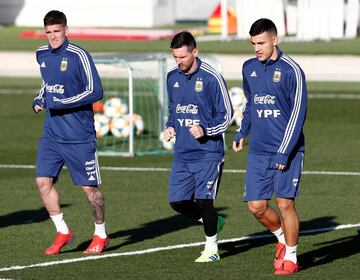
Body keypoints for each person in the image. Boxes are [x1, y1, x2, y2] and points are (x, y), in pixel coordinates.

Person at [232, 18, 307, 274]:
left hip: (288, 150)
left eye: (261, 42)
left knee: (285, 204)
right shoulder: (249, 67)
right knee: (256, 207)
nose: (257, 48)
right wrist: (242, 131)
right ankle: (283, 241)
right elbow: (250, 103)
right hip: (259, 151)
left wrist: (284, 152)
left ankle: (292, 258)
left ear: (275, 39)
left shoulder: (291, 70)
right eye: (253, 43)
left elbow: (298, 114)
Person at [32, 10, 108, 255]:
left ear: (66, 30)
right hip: (52, 134)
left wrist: (62, 102)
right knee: (43, 182)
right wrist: (40, 98)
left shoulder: (79, 55)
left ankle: (100, 234)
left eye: (57, 31)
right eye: (49, 32)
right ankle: (63, 231)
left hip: (79, 135)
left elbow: (96, 91)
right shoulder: (41, 54)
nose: (53, 37)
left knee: (89, 189)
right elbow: (48, 82)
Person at [163, 31, 233, 262]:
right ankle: (213, 220)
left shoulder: (212, 78)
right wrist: (170, 127)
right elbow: (174, 110)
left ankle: (212, 249)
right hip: (183, 152)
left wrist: (206, 130)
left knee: (204, 200)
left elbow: (227, 115)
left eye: (182, 57)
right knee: (178, 202)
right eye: (175, 57)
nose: (178, 62)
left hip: (208, 153)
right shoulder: (172, 77)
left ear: (195, 52)